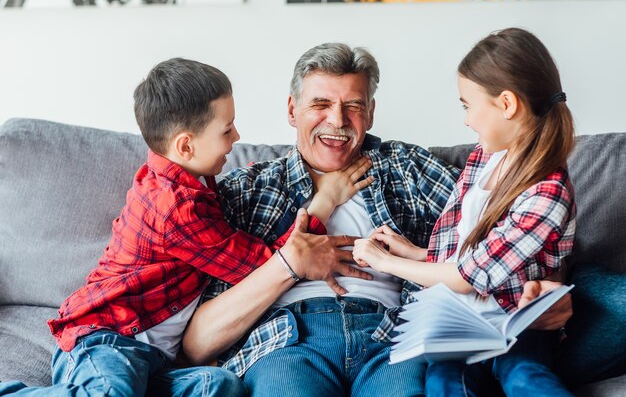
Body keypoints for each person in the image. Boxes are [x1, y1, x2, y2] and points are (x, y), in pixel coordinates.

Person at [182, 42, 574, 397]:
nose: (337, 120)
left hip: (392, 337)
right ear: (292, 110)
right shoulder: (248, 191)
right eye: (320, 104)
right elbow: (198, 343)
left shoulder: (409, 168)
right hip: (288, 339)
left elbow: (504, 230)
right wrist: (288, 265)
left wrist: (548, 290)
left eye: (353, 105)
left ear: (370, 112)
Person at [0, 57, 372, 397]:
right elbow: (267, 265)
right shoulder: (176, 208)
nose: (238, 137)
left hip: (156, 359)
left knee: (221, 387)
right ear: (186, 146)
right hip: (109, 339)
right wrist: (323, 201)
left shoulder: (193, 181)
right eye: (227, 130)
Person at [353, 27, 577, 397]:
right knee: (442, 383)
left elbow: (471, 276)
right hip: (459, 323)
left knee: (523, 374)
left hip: (515, 323)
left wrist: (383, 262)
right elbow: (475, 251)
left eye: (467, 105)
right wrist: (416, 253)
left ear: (506, 104)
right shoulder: (483, 159)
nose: (466, 119)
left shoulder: (548, 191)